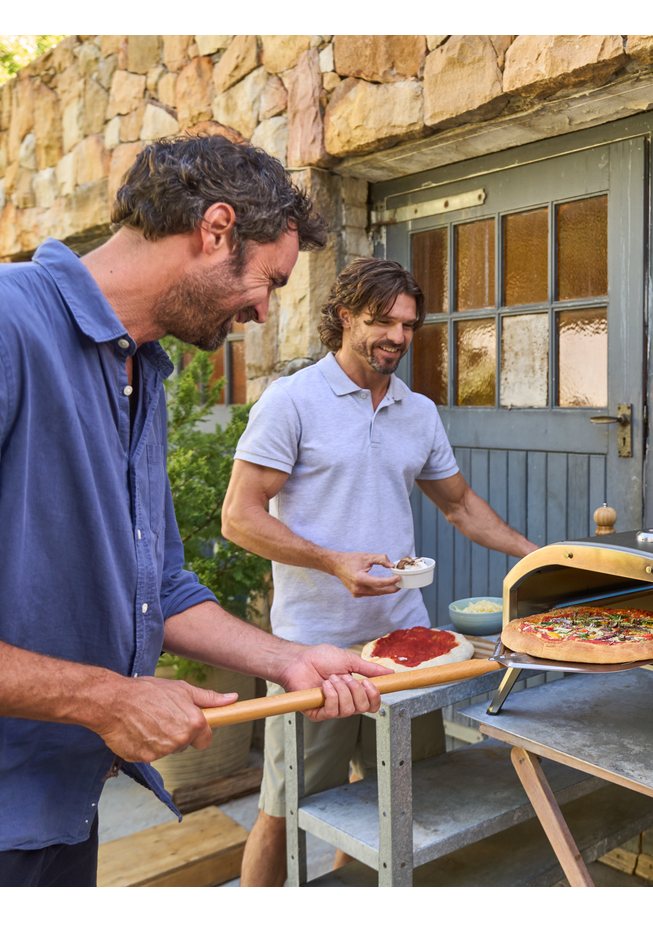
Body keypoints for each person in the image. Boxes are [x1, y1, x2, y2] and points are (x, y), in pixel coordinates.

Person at [0, 135, 393, 887]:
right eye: (269, 281)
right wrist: (110, 699)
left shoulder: (140, 370)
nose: (263, 311)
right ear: (216, 229)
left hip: (64, 805)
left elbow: (161, 588)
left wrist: (289, 660)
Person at [222, 256, 538, 886]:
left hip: (406, 646)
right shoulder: (293, 401)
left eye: (408, 325)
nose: (397, 336)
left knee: (397, 807)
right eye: (381, 321)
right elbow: (239, 517)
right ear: (344, 317)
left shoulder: (417, 411)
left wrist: (538, 559)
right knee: (285, 811)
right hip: (315, 649)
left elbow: (460, 505)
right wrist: (331, 561)